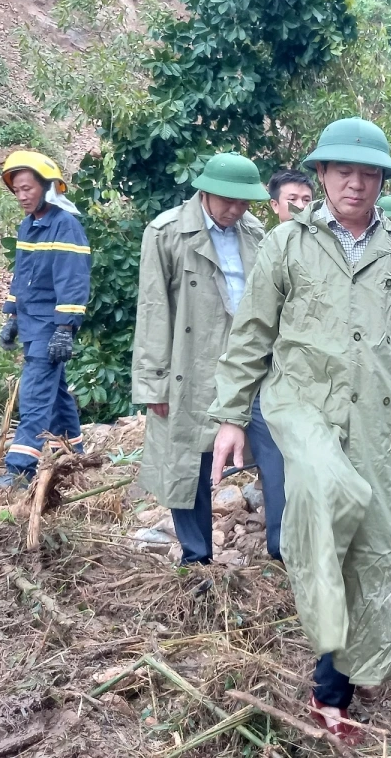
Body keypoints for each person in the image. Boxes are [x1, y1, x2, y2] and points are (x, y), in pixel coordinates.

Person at [208, 117, 391, 744]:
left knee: (378, 543)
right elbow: (252, 333)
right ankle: (329, 676)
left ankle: (343, 682)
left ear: (382, 180)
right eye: (343, 171)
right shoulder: (288, 245)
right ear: (322, 175)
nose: (355, 184)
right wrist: (231, 417)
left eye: (368, 174)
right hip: (306, 408)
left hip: (378, 418)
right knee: (324, 520)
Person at [131, 153, 287, 565]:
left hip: (250, 363)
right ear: (206, 192)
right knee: (187, 461)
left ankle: (284, 549)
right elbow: (153, 308)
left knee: (277, 452)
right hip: (191, 363)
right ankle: (196, 558)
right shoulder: (166, 233)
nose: (236, 209)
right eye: (228, 201)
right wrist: (154, 381)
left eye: (244, 202)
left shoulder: (254, 233)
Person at [0, 151, 91, 487]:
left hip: (50, 327)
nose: (22, 196)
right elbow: (22, 276)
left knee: (35, 394)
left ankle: (19, 469)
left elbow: (73, 279)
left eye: (27, 189)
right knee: (57, 393)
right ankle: (72, 456)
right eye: (17, 190)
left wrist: (65, 328)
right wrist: (12, 316)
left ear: (48, 187)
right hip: (31, 322)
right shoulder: (29, 225)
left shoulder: (66, 226)